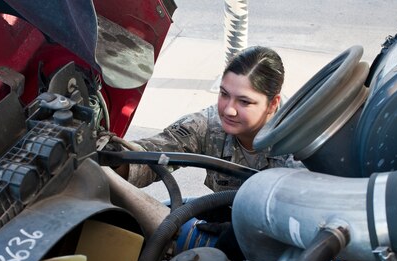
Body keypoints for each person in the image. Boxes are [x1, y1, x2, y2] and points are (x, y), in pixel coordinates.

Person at [123, 45, 300, 190]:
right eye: (224, 94)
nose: (229, 110)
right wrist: (117, 160)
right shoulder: (209, 124)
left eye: (244, 101)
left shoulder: (299, 143)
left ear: (272, 104)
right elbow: (155, 152)